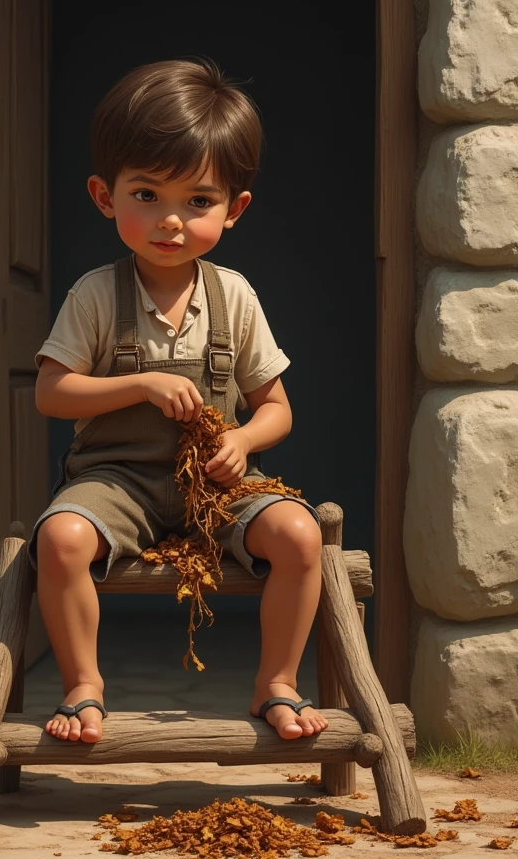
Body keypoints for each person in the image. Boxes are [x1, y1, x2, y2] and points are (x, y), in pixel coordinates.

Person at [30, 59, 327, 746]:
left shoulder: (236, 296)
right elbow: (52, 392)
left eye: (198, 202)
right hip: (118, 482)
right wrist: (139, 383)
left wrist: (244, 442)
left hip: (216, 486)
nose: (170, 221)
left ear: (234, 208)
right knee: (61, 537)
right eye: (145, 195)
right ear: (105, 197)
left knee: (301, 535)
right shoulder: (97, 295)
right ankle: (82, 685)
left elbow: (276, 407)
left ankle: (276, 683)